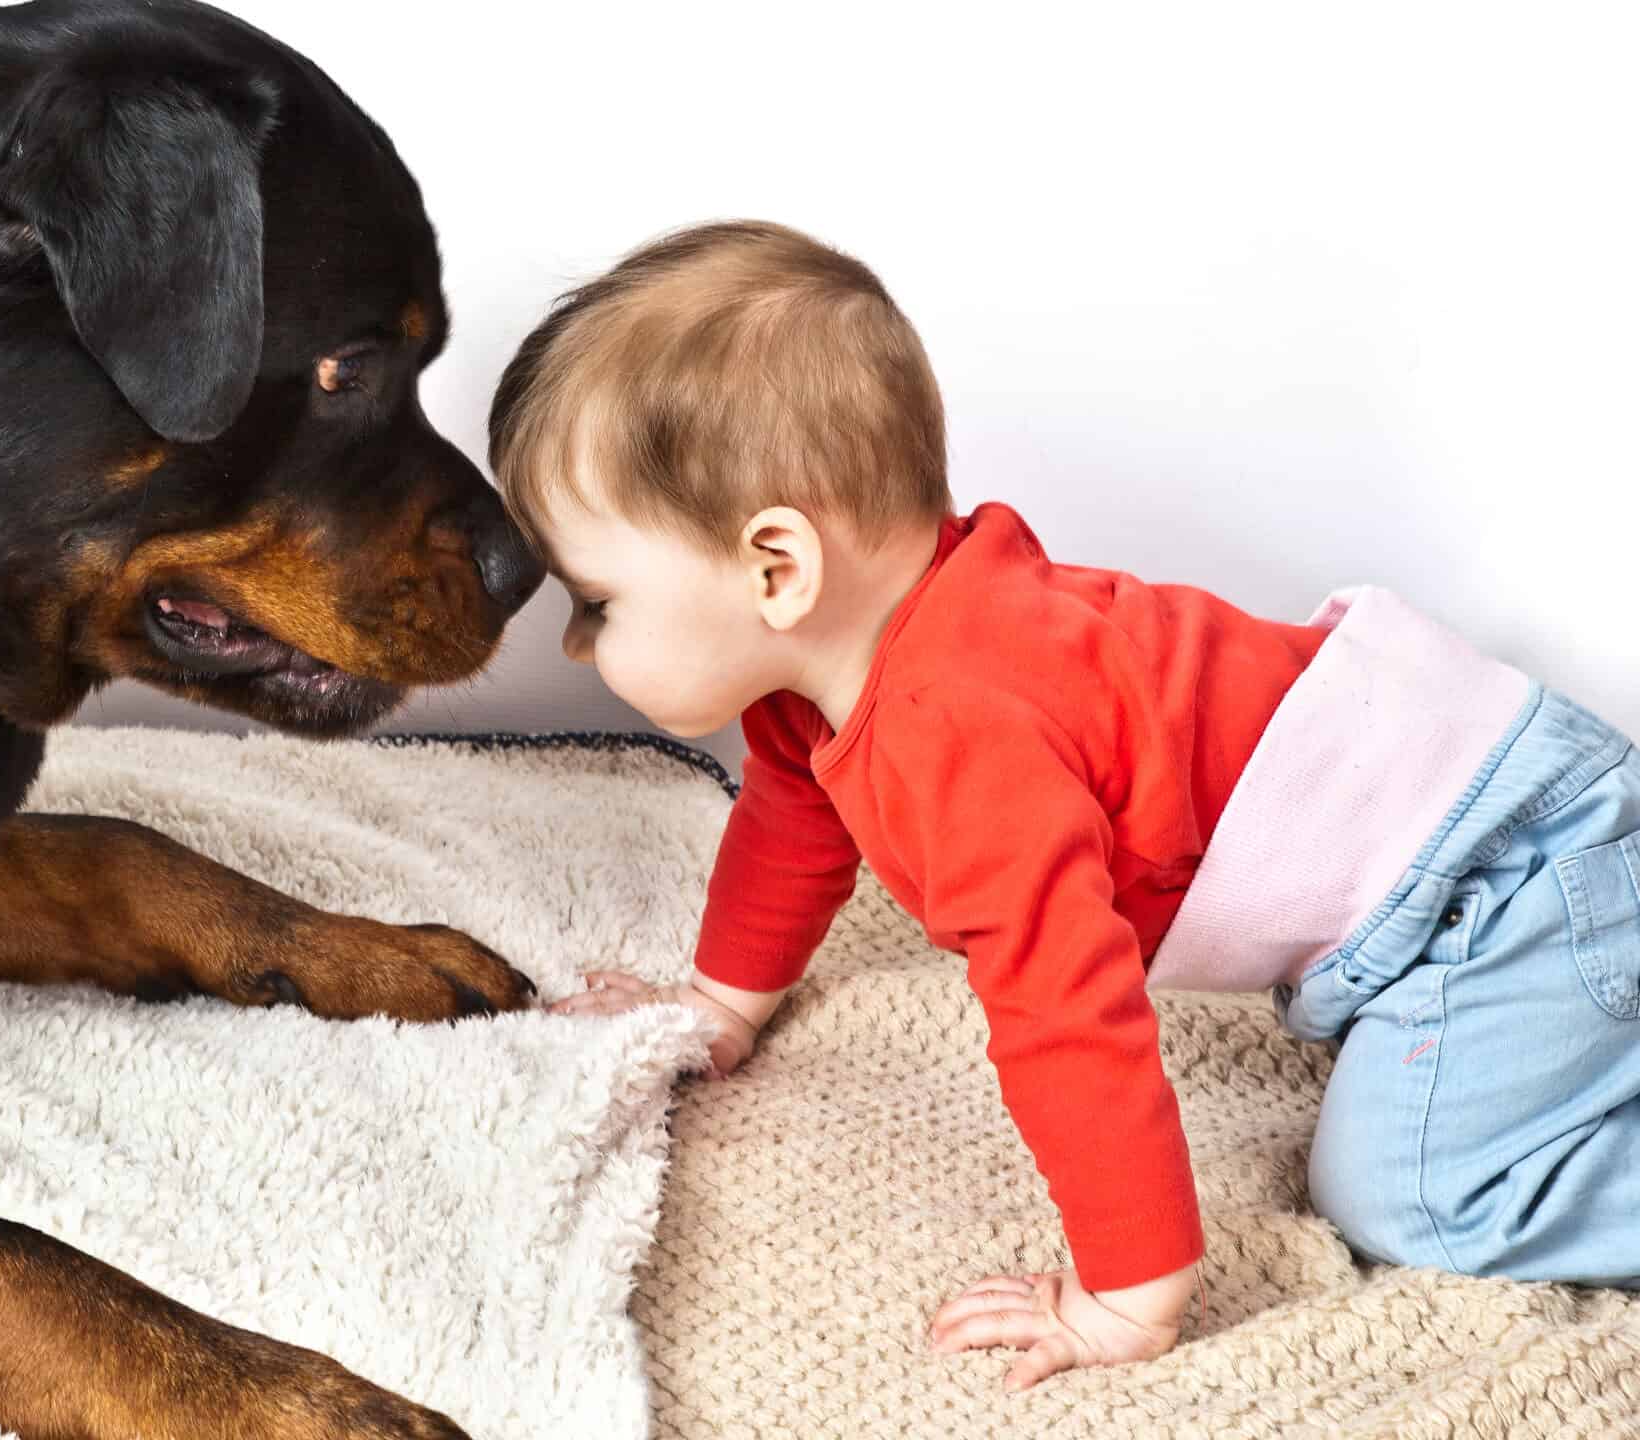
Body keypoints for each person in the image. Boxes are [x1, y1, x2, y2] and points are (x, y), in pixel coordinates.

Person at [492, 219, 1640, 1388]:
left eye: (596, 602)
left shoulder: (969, 734)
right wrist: (719, 1007)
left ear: (775, 569)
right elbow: (792, 826)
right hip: (1480, 831)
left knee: (1416, 1199)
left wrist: (1126, 1296)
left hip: (1506, 879)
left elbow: (1067, 1017)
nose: (582, 647)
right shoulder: (831, 688)